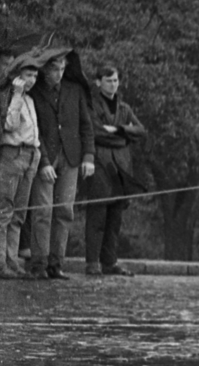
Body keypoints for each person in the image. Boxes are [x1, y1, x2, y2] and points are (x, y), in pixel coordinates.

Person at [26, 51, 94, 280]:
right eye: (55, 69)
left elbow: (86, 126)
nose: (59, 74)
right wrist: (44, 162)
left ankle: (56, 263)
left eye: (63, 69)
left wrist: (89, 157)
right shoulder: (35, 92)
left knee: (65, 210)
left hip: (72, 156)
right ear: (45, 69)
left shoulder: (74, 91)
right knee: (42, 211)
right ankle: (39, 263)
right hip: (45, 156)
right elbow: (35, 131)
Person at [85, 63, 146, 276]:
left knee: (116, 216)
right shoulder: (92, 104)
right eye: (109, 80)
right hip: (101, 162)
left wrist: (120, 129)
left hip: (122, 165)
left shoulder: (124, 108)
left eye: (116, 80)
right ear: (98, 82)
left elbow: (140, 131)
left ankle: (110, 262)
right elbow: (95, 132)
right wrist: (122, 137)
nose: (113, 84)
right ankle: (92, 262)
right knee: (98, 214)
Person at [0, 60, 41, 279]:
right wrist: (16, 94)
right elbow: (10, 125)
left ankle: (11, 259)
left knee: (18, 212)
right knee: (3, 209)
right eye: (28, 75)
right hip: (12, 154)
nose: (32, 80)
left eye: (35, 76)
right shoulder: (8, 97)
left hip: (29, 154)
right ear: (17, 76)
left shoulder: (29, 100)